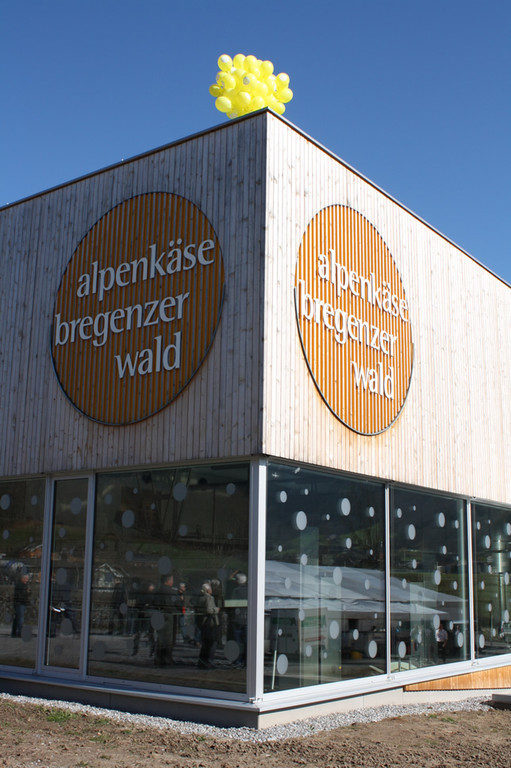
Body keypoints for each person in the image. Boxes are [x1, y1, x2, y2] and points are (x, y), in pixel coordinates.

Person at [154, 573, 180, 667]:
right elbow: (177, 603)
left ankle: (158, 658)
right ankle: (167, 658)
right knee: (168, 638)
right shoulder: (172, 592)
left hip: (159, 614)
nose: (172, 582)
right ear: (168, 581)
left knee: (160, 637)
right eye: (172, 580)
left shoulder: (157, 591)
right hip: (169, 615)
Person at [197, 582, 219, 669]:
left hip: (204, 622)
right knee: (212, 642)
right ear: (207, 590)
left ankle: (202, 660)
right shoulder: (209, 598)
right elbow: (209, 610)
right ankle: (209, 660)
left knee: (205, 642)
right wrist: (216, 610)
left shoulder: (201, 598)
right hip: (211, 622)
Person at [11, 572, 30, 638]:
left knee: (17, 618)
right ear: (23, 578)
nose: (27, 580)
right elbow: (20, 595)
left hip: (21, 602)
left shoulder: (24, 585)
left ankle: (14, 632)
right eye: (26, 578)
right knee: (20, 618)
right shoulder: (20, 585)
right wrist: (26, 592)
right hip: (20, 603)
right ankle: (19, 632)